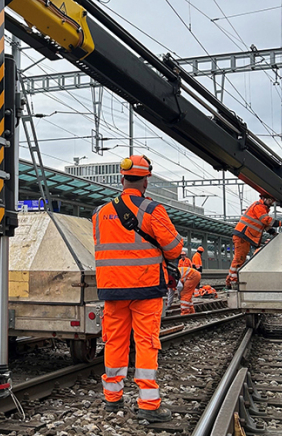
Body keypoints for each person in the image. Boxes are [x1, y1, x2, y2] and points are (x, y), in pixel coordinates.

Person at [93, 155, 183, 422]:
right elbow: (174, 247)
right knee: (146, 343)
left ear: (122, 179)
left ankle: (112, 397)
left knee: (114, 342)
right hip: (145, 288)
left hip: (112, 289)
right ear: (146, 181)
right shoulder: (152, 210)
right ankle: (148, 404)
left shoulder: (99, 213)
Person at [226, 194, 282, 289]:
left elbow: (264, 225)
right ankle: (232, 282)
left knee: (240, 259)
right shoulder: (258, 206)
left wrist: (273, 233)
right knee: (239, 259)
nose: (271, 203)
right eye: (270, 200)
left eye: (272, 201)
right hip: (242, 235)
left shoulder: (262, 208)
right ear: (264, 199)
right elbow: (266, 220)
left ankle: (231, 281)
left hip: (245, 236)